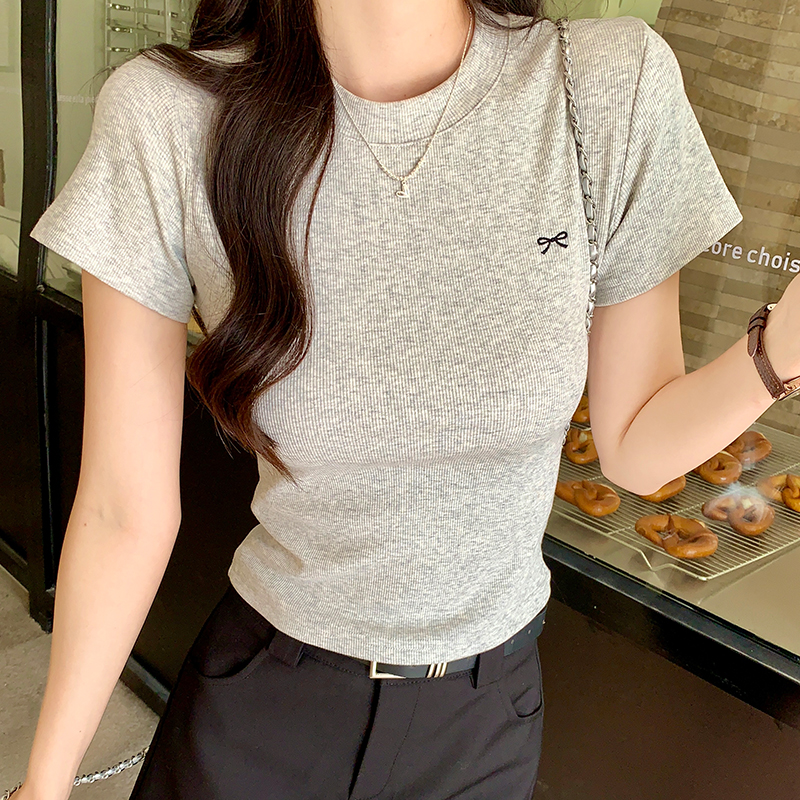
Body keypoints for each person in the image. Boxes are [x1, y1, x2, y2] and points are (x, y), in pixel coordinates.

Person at [16, 0, 800, 797]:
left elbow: (635, 448)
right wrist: (42, 785)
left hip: (483, 721)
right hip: (267, 701)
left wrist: (780, 353)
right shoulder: (171, 114)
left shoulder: (604, 85)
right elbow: (121, 511)